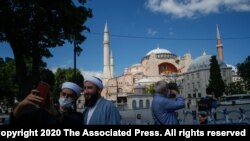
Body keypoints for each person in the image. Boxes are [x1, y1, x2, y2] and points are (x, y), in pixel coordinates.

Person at [11, 81, 83, 126]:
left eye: (70, 95)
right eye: (64, 94)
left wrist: (55, 114)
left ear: (75, 98)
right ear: (60, 94)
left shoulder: (77, 116)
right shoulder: (43, 112)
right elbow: (17, 121)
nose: (66, 97)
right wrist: (21, 106)